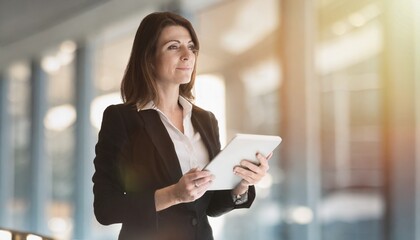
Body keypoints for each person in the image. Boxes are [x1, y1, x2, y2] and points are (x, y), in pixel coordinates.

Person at [92, 11, 272, 240]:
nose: (188, 55)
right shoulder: (122, 118)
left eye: (191, 47)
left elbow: (211, 206)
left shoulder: (205, 120)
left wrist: (242, 184)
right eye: (174, 47)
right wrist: (173, 194)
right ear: (149, 57)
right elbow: (106, 208)